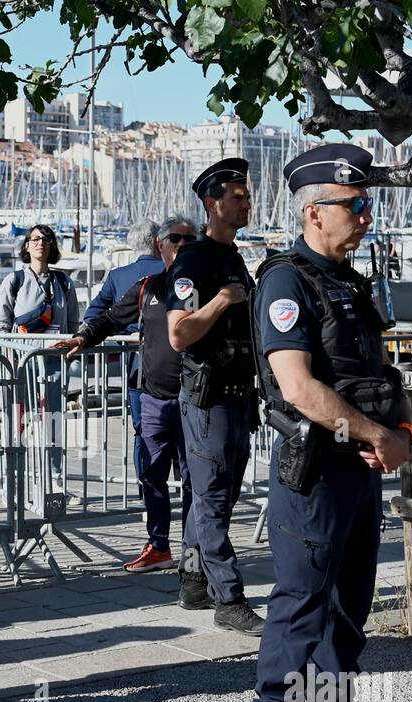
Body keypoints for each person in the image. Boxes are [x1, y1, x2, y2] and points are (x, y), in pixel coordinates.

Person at [252, 143, 412, 702]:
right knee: (300, 610)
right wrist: (374, 434)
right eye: (356, 205)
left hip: (361, 470)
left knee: (348, 612)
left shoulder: (350, 282)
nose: (367, 216)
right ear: (315, 212)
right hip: (317, 471)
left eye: (368, 203)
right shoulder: (286, 282)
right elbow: (297, 387)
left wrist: (397, 431)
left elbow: (380, 374)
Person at [53, 215, 198, 573]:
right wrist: (83, 337)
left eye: (188, 240)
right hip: (152, 396)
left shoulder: (207, 286)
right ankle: (159, 546)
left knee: (195, 481)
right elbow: (110, 318)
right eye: (174, 239)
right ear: (159, 246)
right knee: (151, 473)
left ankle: (197, 554)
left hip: (196, 399)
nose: (181, 245)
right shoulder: (149, 286)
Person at [165, 158, 265, 636]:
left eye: (247, 196)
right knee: (211, 498)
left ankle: (192, 580)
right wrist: (223, 300)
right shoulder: (193, 261)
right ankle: (229, 598)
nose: (246, 203)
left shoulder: (233, 257)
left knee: (214, 498)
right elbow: (180, 335)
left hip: (238, 396)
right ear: (212, 204)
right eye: (238, 197)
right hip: (209, 399)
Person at [0, 224, 80, 488]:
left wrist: (69, 353)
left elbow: (73, 325)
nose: (41, 243)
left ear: (52, 246)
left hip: (53, 363)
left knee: (53, 422)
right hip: (22, 364)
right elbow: (1, 325)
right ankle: (15, 474)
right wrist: (11, 356)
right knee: (17, 422)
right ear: (27, 246)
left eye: (47, 239)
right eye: (35, 239)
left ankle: (54, 478)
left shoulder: (64, 282)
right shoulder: (15, 281)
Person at [82, 219, 164, 489]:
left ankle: (147, 491)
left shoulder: (118, 276)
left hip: (135, 367)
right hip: (170, 363)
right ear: (157, 242)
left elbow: (93, 314)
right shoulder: (170, 271)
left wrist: (121, 332)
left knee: (143, 431)